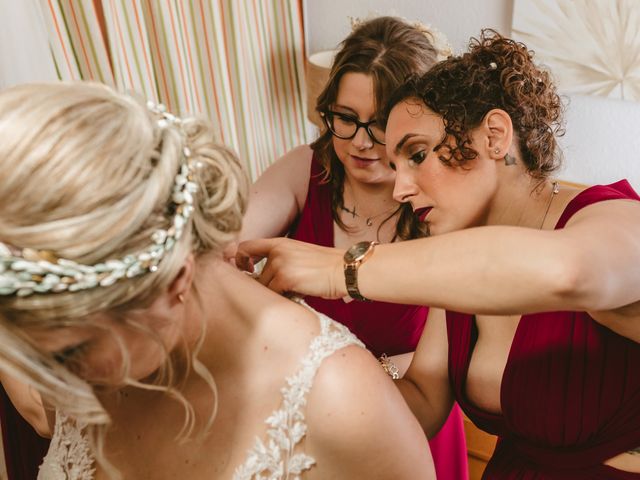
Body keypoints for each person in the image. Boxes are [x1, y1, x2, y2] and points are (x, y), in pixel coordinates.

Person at [238, 30, 640, 479]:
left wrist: (340, 270)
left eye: (417, 154)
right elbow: (424, 400)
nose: (400, 188)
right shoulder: (456, 261)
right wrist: (301, 395)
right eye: (395, 166)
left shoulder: (616, 220)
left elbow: (570, 272)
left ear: (494, 135)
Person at [0, 82, 436, 480]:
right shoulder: (71, 348)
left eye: (73, 351)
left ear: (174, 279)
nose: (49, 384)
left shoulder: (341, 402)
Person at [237, 16, 467, 480]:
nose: (361, 143)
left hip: (408, 427)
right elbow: (230, 246)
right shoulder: (305, 171)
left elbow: (429, 397)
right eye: (345, 119)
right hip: (300, 427)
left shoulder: (447, 216)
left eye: (380, 125)